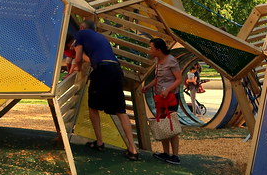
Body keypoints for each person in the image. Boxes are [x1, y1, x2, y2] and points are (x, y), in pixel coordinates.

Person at [69, 19, 139, 160]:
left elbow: (77, 60)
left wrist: (72, 69)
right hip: (116, 70)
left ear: (82, 27)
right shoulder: (100, 38)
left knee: (93, 107)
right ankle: (133, 149)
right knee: (120, 111)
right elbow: (90, 58)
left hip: (102, 71)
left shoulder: (81, 34)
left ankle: (100, 143)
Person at [144, 38, 183, 165]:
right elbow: (158, 78)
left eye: (151, 48)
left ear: (158, 50)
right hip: (160, 97)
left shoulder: (171, 60)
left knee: (171, 124)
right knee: (162, 123)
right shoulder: (158, 61)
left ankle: (175, 155)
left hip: (170, 97)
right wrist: (148, 86)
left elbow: (178, 79)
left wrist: (168, 90)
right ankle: (166, 153)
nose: (150, 50)